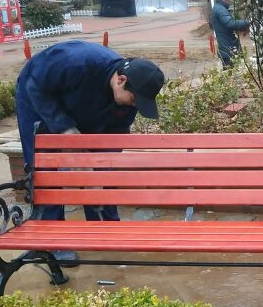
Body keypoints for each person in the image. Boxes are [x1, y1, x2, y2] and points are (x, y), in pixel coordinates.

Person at [15, 40, 166, 264]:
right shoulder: (79, 62)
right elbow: (36, 85)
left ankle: (104, 226)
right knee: (46, 170)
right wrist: (64, 128)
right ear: (121, 80)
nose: (135, 105)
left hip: (83, 105)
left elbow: (113, 137)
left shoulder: (125, 102)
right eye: (134, 99)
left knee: (101, 169)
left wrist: (99, 173)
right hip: (38, 96)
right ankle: (51, 241)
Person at [210, 0, 250, 69]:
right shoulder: (220, 9)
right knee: (231, 73)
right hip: (228, 49)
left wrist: (242, 27)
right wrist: (246, 22)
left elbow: (226, 25)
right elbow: (230, 24)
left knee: (232, 74)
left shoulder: (221, 8)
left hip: (228, 47)